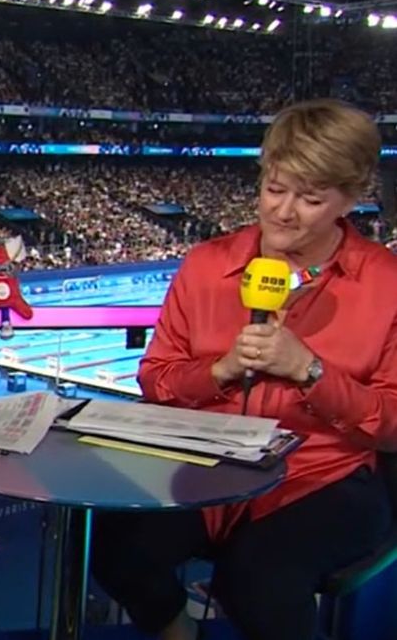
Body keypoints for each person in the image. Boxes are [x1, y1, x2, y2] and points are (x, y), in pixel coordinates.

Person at [90, 98, 397, 640]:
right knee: (117, 548)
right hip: (204, 462)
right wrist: (221, 370)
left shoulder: (385, 283)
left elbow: (392, 424)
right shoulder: (208, 264)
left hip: (320, 477)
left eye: (310, 199)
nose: (282, 211)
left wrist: (311, 371)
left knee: (258, 579)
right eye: (274, 189)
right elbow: (155, 379)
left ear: (349, 200)